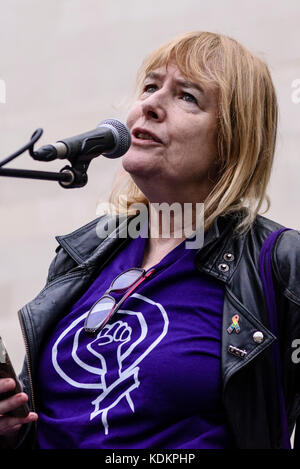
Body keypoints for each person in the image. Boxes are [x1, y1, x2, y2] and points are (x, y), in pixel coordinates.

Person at [0, 30, 300, 449]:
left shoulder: (280, 261)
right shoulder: (83, 254)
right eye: (150, 85)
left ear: (232, 139)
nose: (151, 106)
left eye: (187, 97)